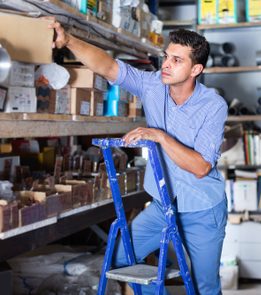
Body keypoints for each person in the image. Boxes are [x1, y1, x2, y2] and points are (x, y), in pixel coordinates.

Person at [50, 21, 228, 295]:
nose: (166, 64)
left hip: (202, 208)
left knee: (206, 285)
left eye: (177, 60)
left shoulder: (213, 106)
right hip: (162, 203)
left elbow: (201, 166)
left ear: (196, 70)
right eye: (166, 56)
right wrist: (69, 40)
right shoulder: (153, 84)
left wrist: (159, 135)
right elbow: (109, 67)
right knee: (120, 257)